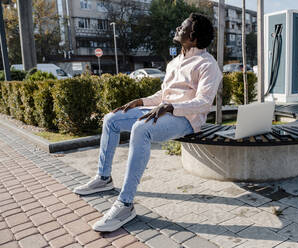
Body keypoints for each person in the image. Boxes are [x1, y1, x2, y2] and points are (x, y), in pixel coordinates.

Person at [73, 13, 222, 232]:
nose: (178, 28)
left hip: (187, 120)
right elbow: (164, 95)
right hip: (163, 112)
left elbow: (203, 103)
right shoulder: (174, 62)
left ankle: (125, 204)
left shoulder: (207, 64)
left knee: (141, 129)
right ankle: (103, 178)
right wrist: (141, 101)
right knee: (111, 119)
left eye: (183, 27)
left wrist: (172, 107)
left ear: (193, 36)